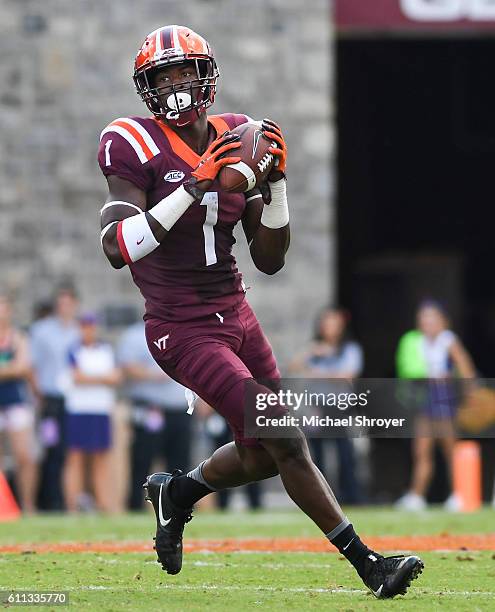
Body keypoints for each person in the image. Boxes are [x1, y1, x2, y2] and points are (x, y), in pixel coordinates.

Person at [97, 25, 423, 598]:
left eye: (184, 71)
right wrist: (193, 187)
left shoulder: (237, 136)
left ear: (208, 77)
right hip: (181, 327)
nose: (175, 85)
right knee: (287, 438)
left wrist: (275, 186)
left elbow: (270, 259)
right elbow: (116, 248)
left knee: (264, 453)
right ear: (145, 89)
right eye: (163, 76)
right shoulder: (131, 142)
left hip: (237, 315)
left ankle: (178, 492)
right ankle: (369, 565)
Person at [395, 300, 476, 511]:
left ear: (443, 321)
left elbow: (466, 368)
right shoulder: (414, 342)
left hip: (444, 397)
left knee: (451, 449)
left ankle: (460, 494)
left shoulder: (448, 340)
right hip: (425, 398)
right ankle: (416, 496)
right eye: (423, 318)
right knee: (422, 450)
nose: (427, 322)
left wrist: (467, 394)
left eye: (432, 318)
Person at [288, 306, 364, 504]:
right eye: (326, 323)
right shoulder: (315, 349)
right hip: (317, 406)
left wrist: (318, 372)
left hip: (340, 407)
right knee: (317, 453)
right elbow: (294, 366)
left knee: (345, 453)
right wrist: (310, 351)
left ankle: (350, 496)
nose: (330, 328)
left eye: (334, 324)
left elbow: (348, 376)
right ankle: (321, 496)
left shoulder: (350, 349)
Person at [117, 320, 192, 510]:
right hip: (151, 408)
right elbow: (127, 367)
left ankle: (178, 505)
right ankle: (135, 505)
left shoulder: (183, 330)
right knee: (143, 459)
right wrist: (156, 374)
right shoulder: (135, 335)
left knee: (179, 462)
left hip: (179, 407)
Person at [62, 313, 121, 512]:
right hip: (79, 409)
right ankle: (72, 504)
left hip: (100, 409)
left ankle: (104, 502)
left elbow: (115, 377)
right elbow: (77, 377)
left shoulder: (105, 349)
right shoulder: (73, 349)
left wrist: (90, 378)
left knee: (100, 458)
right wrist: (101, 379)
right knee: (76, 457)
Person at [30, 285, 80, 511]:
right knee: (50, 449)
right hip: (50, 398)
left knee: (68, 451)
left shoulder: (79, 331)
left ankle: (64, 499)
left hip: (73, 399)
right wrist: (38, 393)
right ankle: (48, 501)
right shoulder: (42, 331)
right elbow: (33, 365)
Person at [0, 294, 37, 513]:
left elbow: (23, 367)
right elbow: (16, 367)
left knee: (24, 456)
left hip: (15, 401)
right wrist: (11, 369)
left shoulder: (18, 337)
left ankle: (28, 504)